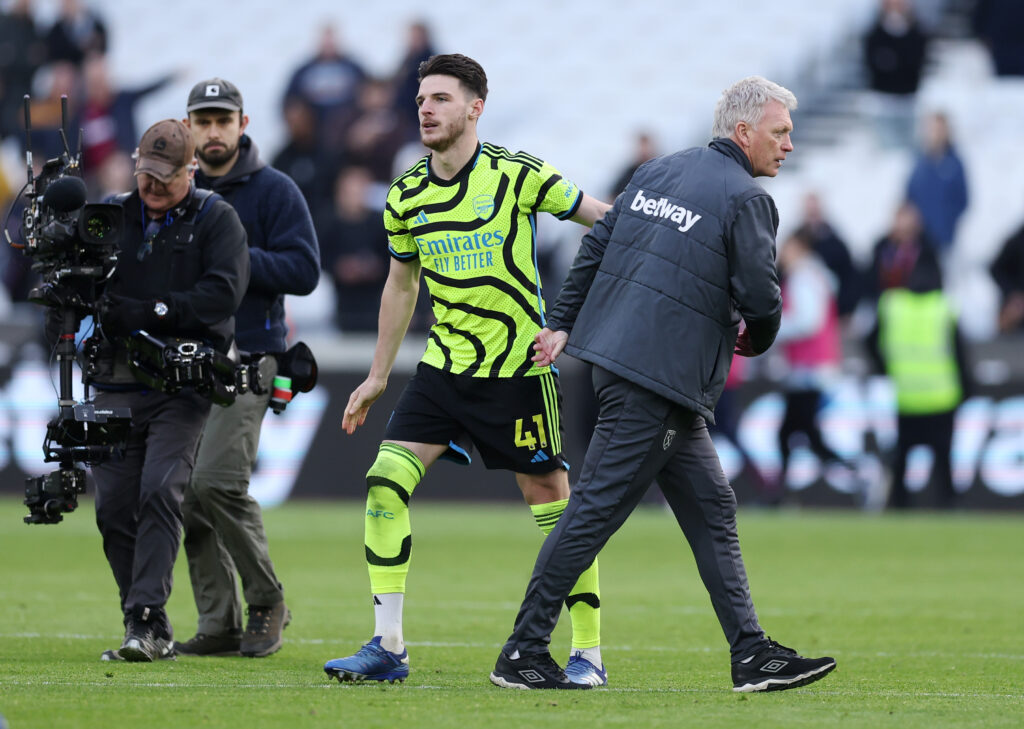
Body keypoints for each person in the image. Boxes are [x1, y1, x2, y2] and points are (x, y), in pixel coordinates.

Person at [489, 76, 837, 692]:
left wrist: (564, 322)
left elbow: (596, 246)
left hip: (628, 368)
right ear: (743, 131)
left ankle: (751, 653)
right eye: (780, 132)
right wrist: (760, 335)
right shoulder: (747, 200)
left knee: (713, 509)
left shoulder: (656, 172)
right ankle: (522, 650)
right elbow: (760, 292)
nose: (788, 145)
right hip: (661, 378)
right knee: (593, 511)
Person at [322, 54, 612, 686]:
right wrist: (376, 375)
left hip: (517, 372)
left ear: (476, 107)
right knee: (383, 485)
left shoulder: (517, 174)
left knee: (554, 511)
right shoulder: (406, 194)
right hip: (444, 371)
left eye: (441, 99)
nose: (426, 108)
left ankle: (588, 652)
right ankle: (387, 646)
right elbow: (400, 287)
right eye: (422, 98)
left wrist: (570, 321)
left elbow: (606, 223)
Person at [88, 119, 250, 661]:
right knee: (112, 505)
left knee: (160, 488)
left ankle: (146, 621)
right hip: (115, 377)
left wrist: (154, 312)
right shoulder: (111, 214)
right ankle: (141, 615)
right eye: (145, 175)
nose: (152, 187)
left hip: (182, 382)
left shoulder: (216, 218)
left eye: (165, 177)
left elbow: (222, 295)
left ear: (191, 170)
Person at [175, 78, 320, 658]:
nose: (213, 131)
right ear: (187, 128)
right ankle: (219, 621)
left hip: (249, 359)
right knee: (183, 492)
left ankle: (267, 601)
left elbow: (305, 270)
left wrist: (227, 254)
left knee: (215, 483)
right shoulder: (172, 190)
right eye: (202, 121)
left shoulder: (274, 190)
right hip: (183, 362)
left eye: (223, 121)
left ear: (243, 124)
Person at [865, 262, 970, 509]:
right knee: (943, 457)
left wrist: (885, 368)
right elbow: (960, 352)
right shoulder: (944, 307)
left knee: (903, 456)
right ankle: (947, 505)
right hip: (942, 395)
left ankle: (901, 506)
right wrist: (967, 387)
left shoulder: (893, 305)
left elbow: (870, 341)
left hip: (906, 394)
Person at [773, 230, 850, 494]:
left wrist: (771, 329)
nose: (781, 254)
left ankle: (780, 494)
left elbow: (807, 322)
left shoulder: (803, 277)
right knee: (802, 433)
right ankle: (856, 473)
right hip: (811, 367)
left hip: (809, 368)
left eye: (787, 247)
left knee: (790, 433)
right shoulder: (814, 276)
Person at [905, 112, 968, 259]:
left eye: (940, 129)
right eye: (932, 129)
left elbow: (963, 199)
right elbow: (909, 195)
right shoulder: (919, 162)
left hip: (944, 237)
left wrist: (948, 219)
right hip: (918, 238)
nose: (936, 134)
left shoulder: (954, 164)